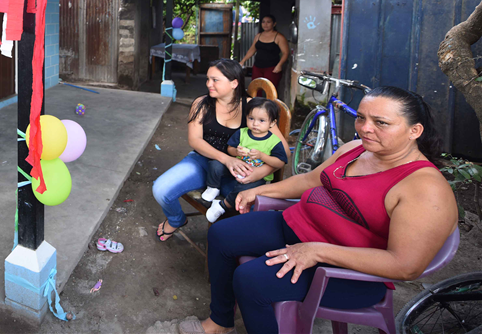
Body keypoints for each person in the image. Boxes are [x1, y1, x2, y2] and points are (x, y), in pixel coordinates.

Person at [178, 87, 458, 334]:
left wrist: (317, 251)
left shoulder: (424, 189)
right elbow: (310, 180)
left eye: (381, 122)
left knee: (250, 280)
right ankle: (221, 321)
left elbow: (405, 265)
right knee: (221, 234)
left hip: (343, 269)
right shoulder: (356, 149)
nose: (364, 128)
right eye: (361, 117)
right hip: (298, 226)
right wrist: (258, 190)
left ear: (414, 131)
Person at [152, 59, 286, 242]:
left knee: (254, 211)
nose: (208, 84)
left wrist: (260, 172)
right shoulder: (202, 103)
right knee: (161, 190)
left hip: (242, 172)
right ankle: (176, 220)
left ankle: (235, 252)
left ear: (234, 83)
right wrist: (226, 159)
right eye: (208, 79)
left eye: (215, 80)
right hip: (203, 162)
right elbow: (195, 140)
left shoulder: (255, 108)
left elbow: (283, 151)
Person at [202, 98, 287, 223]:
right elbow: (230, 149)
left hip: (256, 177)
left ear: (272, 123)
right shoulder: (242, 133)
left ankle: (223, 205)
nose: (255, 124)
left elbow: (280, 162)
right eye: (251, 118)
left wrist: (263, 157)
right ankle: (213, 187)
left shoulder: (274, 142)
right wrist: (236, 152)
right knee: (215, 164)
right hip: (237, 167)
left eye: (261, 120)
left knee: (247, 190)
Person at [240, 15, 290, 91]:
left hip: (272, 68)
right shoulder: (258, 36)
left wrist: (279, 65)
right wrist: (243, 61)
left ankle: (270, 103)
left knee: (270, 90)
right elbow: (252, 50)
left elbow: (285, 53)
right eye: (263, 22)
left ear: (274, 24)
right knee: (255, 89)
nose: (265, 24)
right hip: (257, 67)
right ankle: (256, 103)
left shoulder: (279, 37)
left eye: (268, 22)